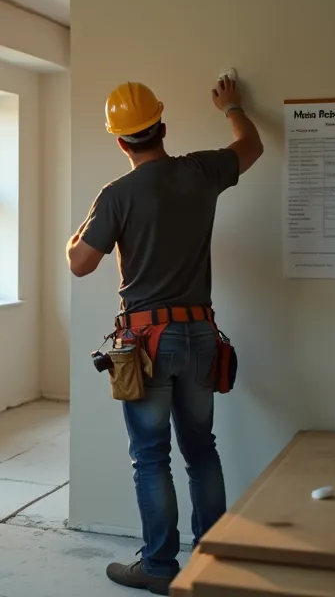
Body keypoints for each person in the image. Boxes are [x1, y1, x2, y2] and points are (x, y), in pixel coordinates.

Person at [65, 77, 263, 595]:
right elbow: (252, 146)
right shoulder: (201, 170)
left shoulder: (116, 195)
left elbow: (80, 264)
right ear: (163, 127)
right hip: (200, 334)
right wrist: (233, 106)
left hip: (148, 344)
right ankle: (212, 559)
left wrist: (79, 232)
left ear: (119, 140)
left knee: (150, 455)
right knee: (202, 449)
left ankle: (158, 566)